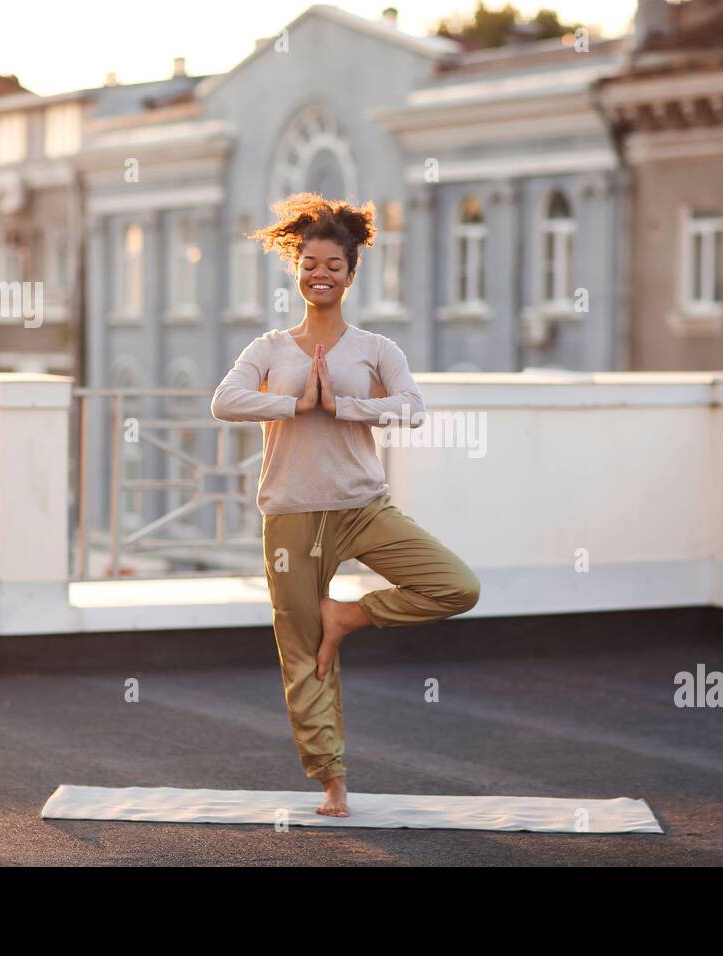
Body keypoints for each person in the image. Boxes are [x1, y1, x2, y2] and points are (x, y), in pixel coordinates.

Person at [210, 193, 481, 817]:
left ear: (352, 274)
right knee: (301, 654)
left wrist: (347, 406)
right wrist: (294, 404)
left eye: (333, 264)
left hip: (362, 506)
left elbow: (413, 409)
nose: (320, 273)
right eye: (309, 262)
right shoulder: (271, 348)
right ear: (296, 269)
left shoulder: (375, 349)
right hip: (290, 514)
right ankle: (332, 780)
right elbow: (224, 401)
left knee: (455, 585)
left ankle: (348, 617)